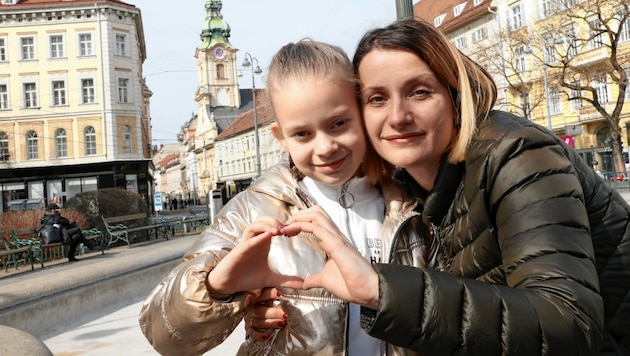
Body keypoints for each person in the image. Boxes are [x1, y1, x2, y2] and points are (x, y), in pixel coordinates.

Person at [251, 19, 630, 355]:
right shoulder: (402, 186)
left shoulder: (517, 155)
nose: (398, 117)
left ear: (454, 97)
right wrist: (285, 312)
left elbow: (567, 323)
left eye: (420, 92)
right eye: (377, 98)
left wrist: (380, 291)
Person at [138, 39, 429, 355]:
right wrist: (217, 287)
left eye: (339, 123)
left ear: (361, 112)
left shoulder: (409, 202)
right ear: (281, 137)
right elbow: (163, 333)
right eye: (302, 133)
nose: (325, 147)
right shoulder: (255, 209)